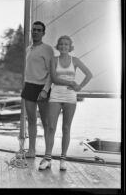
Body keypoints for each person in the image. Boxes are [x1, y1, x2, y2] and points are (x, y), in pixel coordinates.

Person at [39, 35, 93, 170]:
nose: (63, 46)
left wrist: (79, 87)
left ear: (70, 47)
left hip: (70, 97)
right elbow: (55, 79)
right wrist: (71, 82)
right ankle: (47, 158)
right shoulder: (53, 60)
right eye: (61, 44)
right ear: (58, 46)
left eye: (66, 45)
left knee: (66, 128)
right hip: (56, 95)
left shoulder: (75, 60)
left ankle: (63, 159)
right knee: (51, 127)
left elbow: (89, 74)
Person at [21, 21, 54, 158]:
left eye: (39, 30)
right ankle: (32, 151)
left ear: (43, 33)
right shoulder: (28, 49)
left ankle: (48, 154)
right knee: (31, 120)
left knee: (46, 122)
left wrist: (45, 90)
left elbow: (51, 72)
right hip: (29, 86)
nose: (35, 32)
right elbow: (29, 70)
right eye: (34, 29)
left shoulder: (47, 49)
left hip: (42, 89)